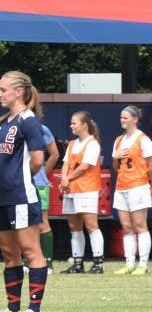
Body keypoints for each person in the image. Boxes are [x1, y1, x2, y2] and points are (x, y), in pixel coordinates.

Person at [0, 70, 48, 312]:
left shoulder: (29, 121)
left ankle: (34, 311)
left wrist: (18, 176)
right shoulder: (4, 122)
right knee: (9, 253)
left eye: (4, 89)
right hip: (1, 196)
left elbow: (37, 160)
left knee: (30, 250)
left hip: (21, 196)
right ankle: (13, 307)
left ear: (19, 91)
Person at [59, 111, 104, 274]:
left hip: (86, 189)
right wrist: (64, 179)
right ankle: (78, 263)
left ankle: (98, 263)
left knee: (91, 225)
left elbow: (85, 166)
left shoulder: (92, 143)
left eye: (74, 123)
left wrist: (67, 179)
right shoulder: (72, 143)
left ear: (84, 125)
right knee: (74, 226)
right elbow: (65, 163)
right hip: (71, 189)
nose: (71, 126)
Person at [111, 106, 152, 275]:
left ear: (135, 119)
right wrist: (116, 156)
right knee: (126, 227)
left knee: (140, 225)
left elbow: (150, 165)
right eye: (121, 117)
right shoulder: (119, 140)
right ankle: (130, 264)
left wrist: (147, 184)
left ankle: (143, 263)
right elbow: (116, 167)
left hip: (138, 185)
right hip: (121, 186)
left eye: (126, 117)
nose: (123, 120)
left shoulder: (143, 140)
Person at [34, 123, 61, 272]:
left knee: (42, 222)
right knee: (24, 224)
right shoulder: (7, 125)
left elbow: (55, 154)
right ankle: (27, 261)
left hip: (38, 184)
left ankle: (48, 263)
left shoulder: (41, 128)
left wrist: (42, 173)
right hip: (17, 183)